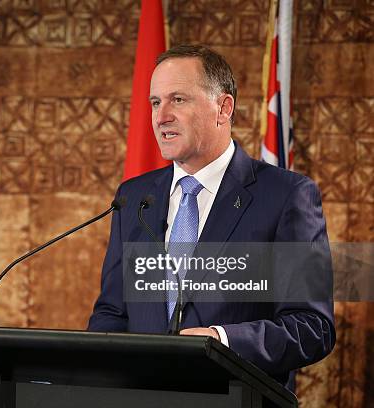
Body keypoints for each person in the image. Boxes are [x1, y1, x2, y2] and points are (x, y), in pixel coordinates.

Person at [88, 45, 335, 390]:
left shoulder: (285, 196)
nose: (161, 117)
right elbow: (111, 315)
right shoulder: (134, 198)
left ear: (223, 107)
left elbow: (311, 328)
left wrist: (222, 340)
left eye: (178, 100)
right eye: (156, 102)